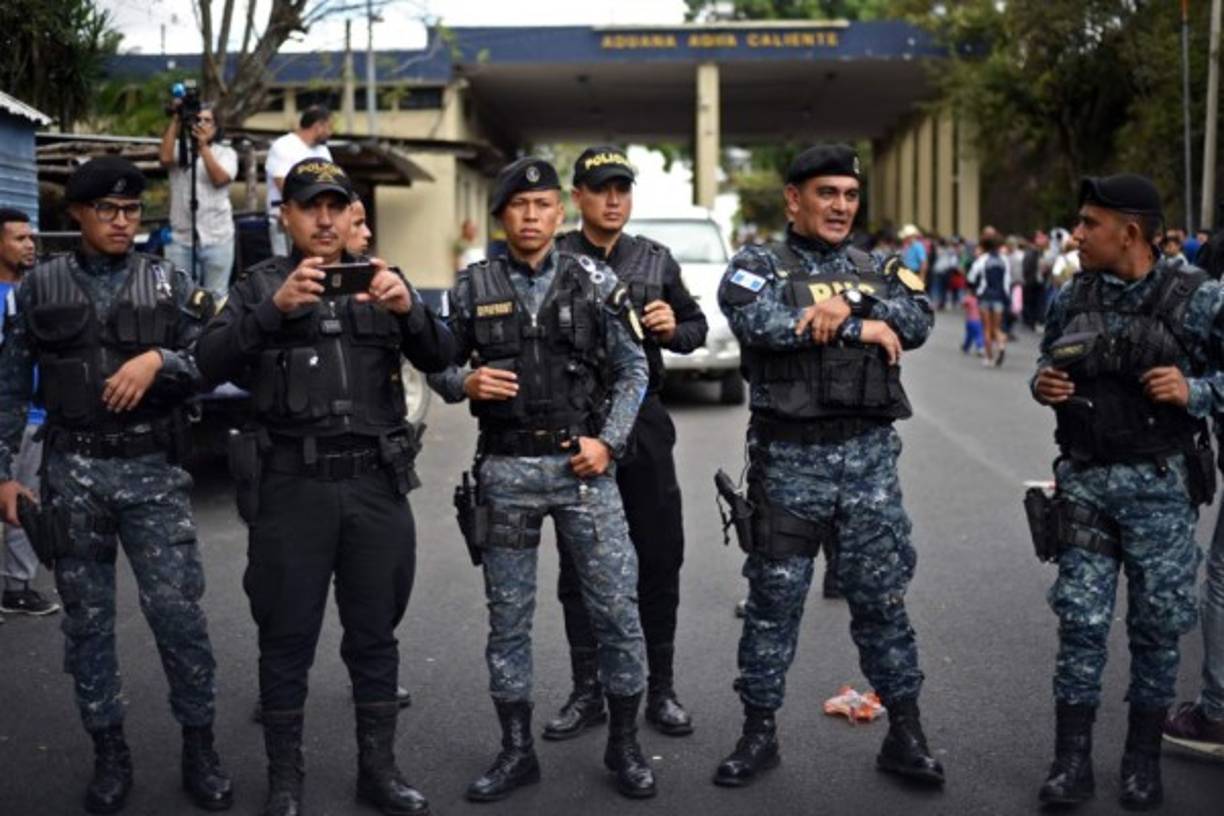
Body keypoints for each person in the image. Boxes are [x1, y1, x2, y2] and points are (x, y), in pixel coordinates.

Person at [197, 158, 452, 816]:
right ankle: (286, 780)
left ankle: (380, 771)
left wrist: (411, 311)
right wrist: (273, 313)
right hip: (292, 488)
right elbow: (206, 361)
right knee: (285, 635)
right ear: (286, 215)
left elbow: (444, 356)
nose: (326, 218)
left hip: (375, 485)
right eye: (311, 206)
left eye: (336, 205)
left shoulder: (383, 280)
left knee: (375, 634)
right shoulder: (260, 285)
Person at [0, 157, 231, 813]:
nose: (123, 221)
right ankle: (109, 754)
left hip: (153, 473)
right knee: (88, 626)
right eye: (109, 210)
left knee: (179, 617)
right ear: (77, 214)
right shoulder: (38, 289)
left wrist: (161, 358)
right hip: (72, 477)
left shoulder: (166, 281)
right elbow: (11, 387)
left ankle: (200, 746)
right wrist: (0, 475)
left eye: (132, 211)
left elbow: (220, 346)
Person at [713, 144, 943, 790]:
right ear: (794, 198)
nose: (841, 206)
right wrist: (851, 329)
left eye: (849, 194)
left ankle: (905, 732)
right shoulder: (757, 264)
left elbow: (919, 317)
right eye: (826, 194)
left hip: (868, 470)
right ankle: (758, 734)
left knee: (883, 603)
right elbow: (756, 320)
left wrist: (857, 307)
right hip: (788, 467)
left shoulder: (877, 268)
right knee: (773, 604)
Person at [429, 156, 657, 801]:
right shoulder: (470, 287)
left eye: (544, 206)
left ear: (560, 213)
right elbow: (437, 366)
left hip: (582, 471)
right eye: (520, 207)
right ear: (502, 217)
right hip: (506, 471)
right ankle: (516, 750)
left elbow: (633, 371)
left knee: (616, 609)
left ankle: (625, 745)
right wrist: (464, 380)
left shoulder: (595, 279)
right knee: (509, 620)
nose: (532, 217)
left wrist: (608, 444)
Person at [1030, 173, 1224, 810]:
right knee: (1080, 624)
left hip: (1160, 489)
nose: (1077, 234)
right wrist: (1044, 384)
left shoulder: (1195, 298)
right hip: (1084, 480)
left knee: (1155, 629)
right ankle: (1071, 761)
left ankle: (1142, 762)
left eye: (1089, 223)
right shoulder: (1072, 294)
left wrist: (1196, 391)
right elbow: (1046, 357)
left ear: (1130, 233)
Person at [544, 146, 707, 742]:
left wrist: (674, 327)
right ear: (579, 196)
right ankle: (587, 689)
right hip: (577, 428)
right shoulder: (553, 259)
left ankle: (659, 687)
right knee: (578, 564)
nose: (613, 200)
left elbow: (695, 329)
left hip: (642, 422)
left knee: (660, 554)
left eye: (622, 189)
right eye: (601, 188)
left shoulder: (654, 260)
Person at [0, 208, 60, 619]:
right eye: (19, 238)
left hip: (37, 417)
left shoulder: (38, 293)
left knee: (26, 503)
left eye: (31, 238)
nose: (30, 245)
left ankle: (17, 588)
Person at [159, 101, 238, 301]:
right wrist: (177, 118)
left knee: (216, 297)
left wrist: (203, 147)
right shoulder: (180, 149)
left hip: (218, 237)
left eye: (207, 120)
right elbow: (165, 158)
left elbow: (220, 179)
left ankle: (213, 333)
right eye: (197, 119)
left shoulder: (226, 153)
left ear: (216, 126)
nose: (201, 124)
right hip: (181, 238)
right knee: (178, 297)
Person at [264, 106, 333, 257]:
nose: (330, 133)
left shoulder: (323, 151)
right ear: (318, 126)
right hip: (288, 219)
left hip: (318, 220)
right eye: (328, 127)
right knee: (287, 267)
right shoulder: (284, 145)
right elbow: (282, 183)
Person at [967, 229, 1011, 367]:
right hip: (999, 297)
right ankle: (1001, 347)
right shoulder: (1004, 260)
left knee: (986, 328)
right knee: (997, 328)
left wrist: (974, 290)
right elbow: (1007, 280)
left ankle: (989, 357)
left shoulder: (982, 259)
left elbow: (971, 277)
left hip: (985, 296)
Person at [961, 286, 985, 356]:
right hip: (977, 320)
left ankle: (966, 347)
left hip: (969, 320)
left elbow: (963, 303)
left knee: (969, 335)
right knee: (978, 334)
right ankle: (980, 348)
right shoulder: (978, 300)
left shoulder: (968, 298)